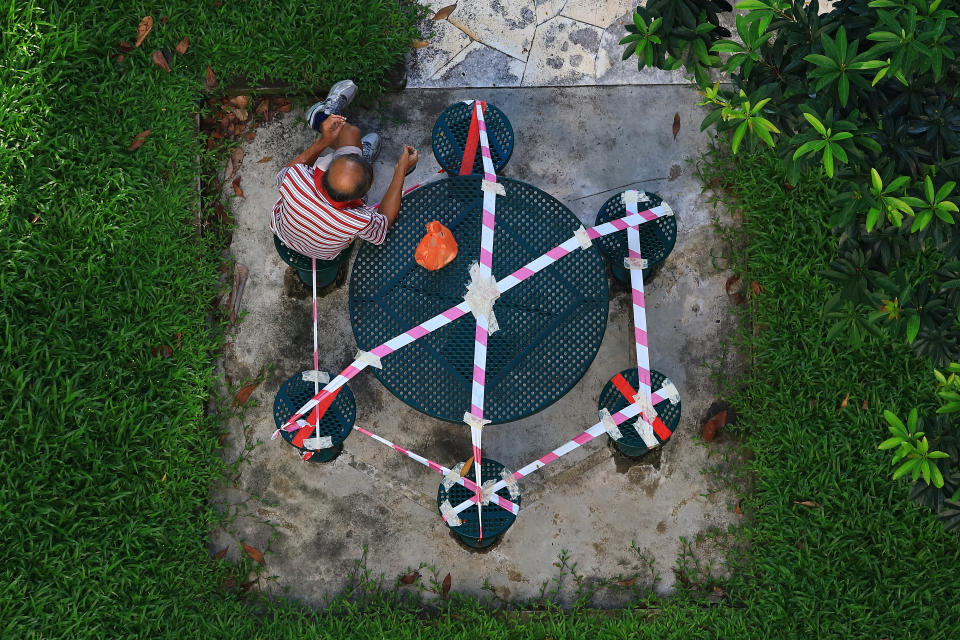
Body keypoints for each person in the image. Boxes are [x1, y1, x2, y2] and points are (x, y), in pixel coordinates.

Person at [270, 79, 419, 282]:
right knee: (353, 134)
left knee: (352, 134)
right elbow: (383, 225)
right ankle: (330, 127)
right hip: (326, 255)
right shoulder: (359, 219)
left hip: (283, 233)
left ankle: (321, 118)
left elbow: (287, 173)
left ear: (323, 172)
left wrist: (324, 141)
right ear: (361, 198)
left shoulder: (295, 178)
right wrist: (400, 171)